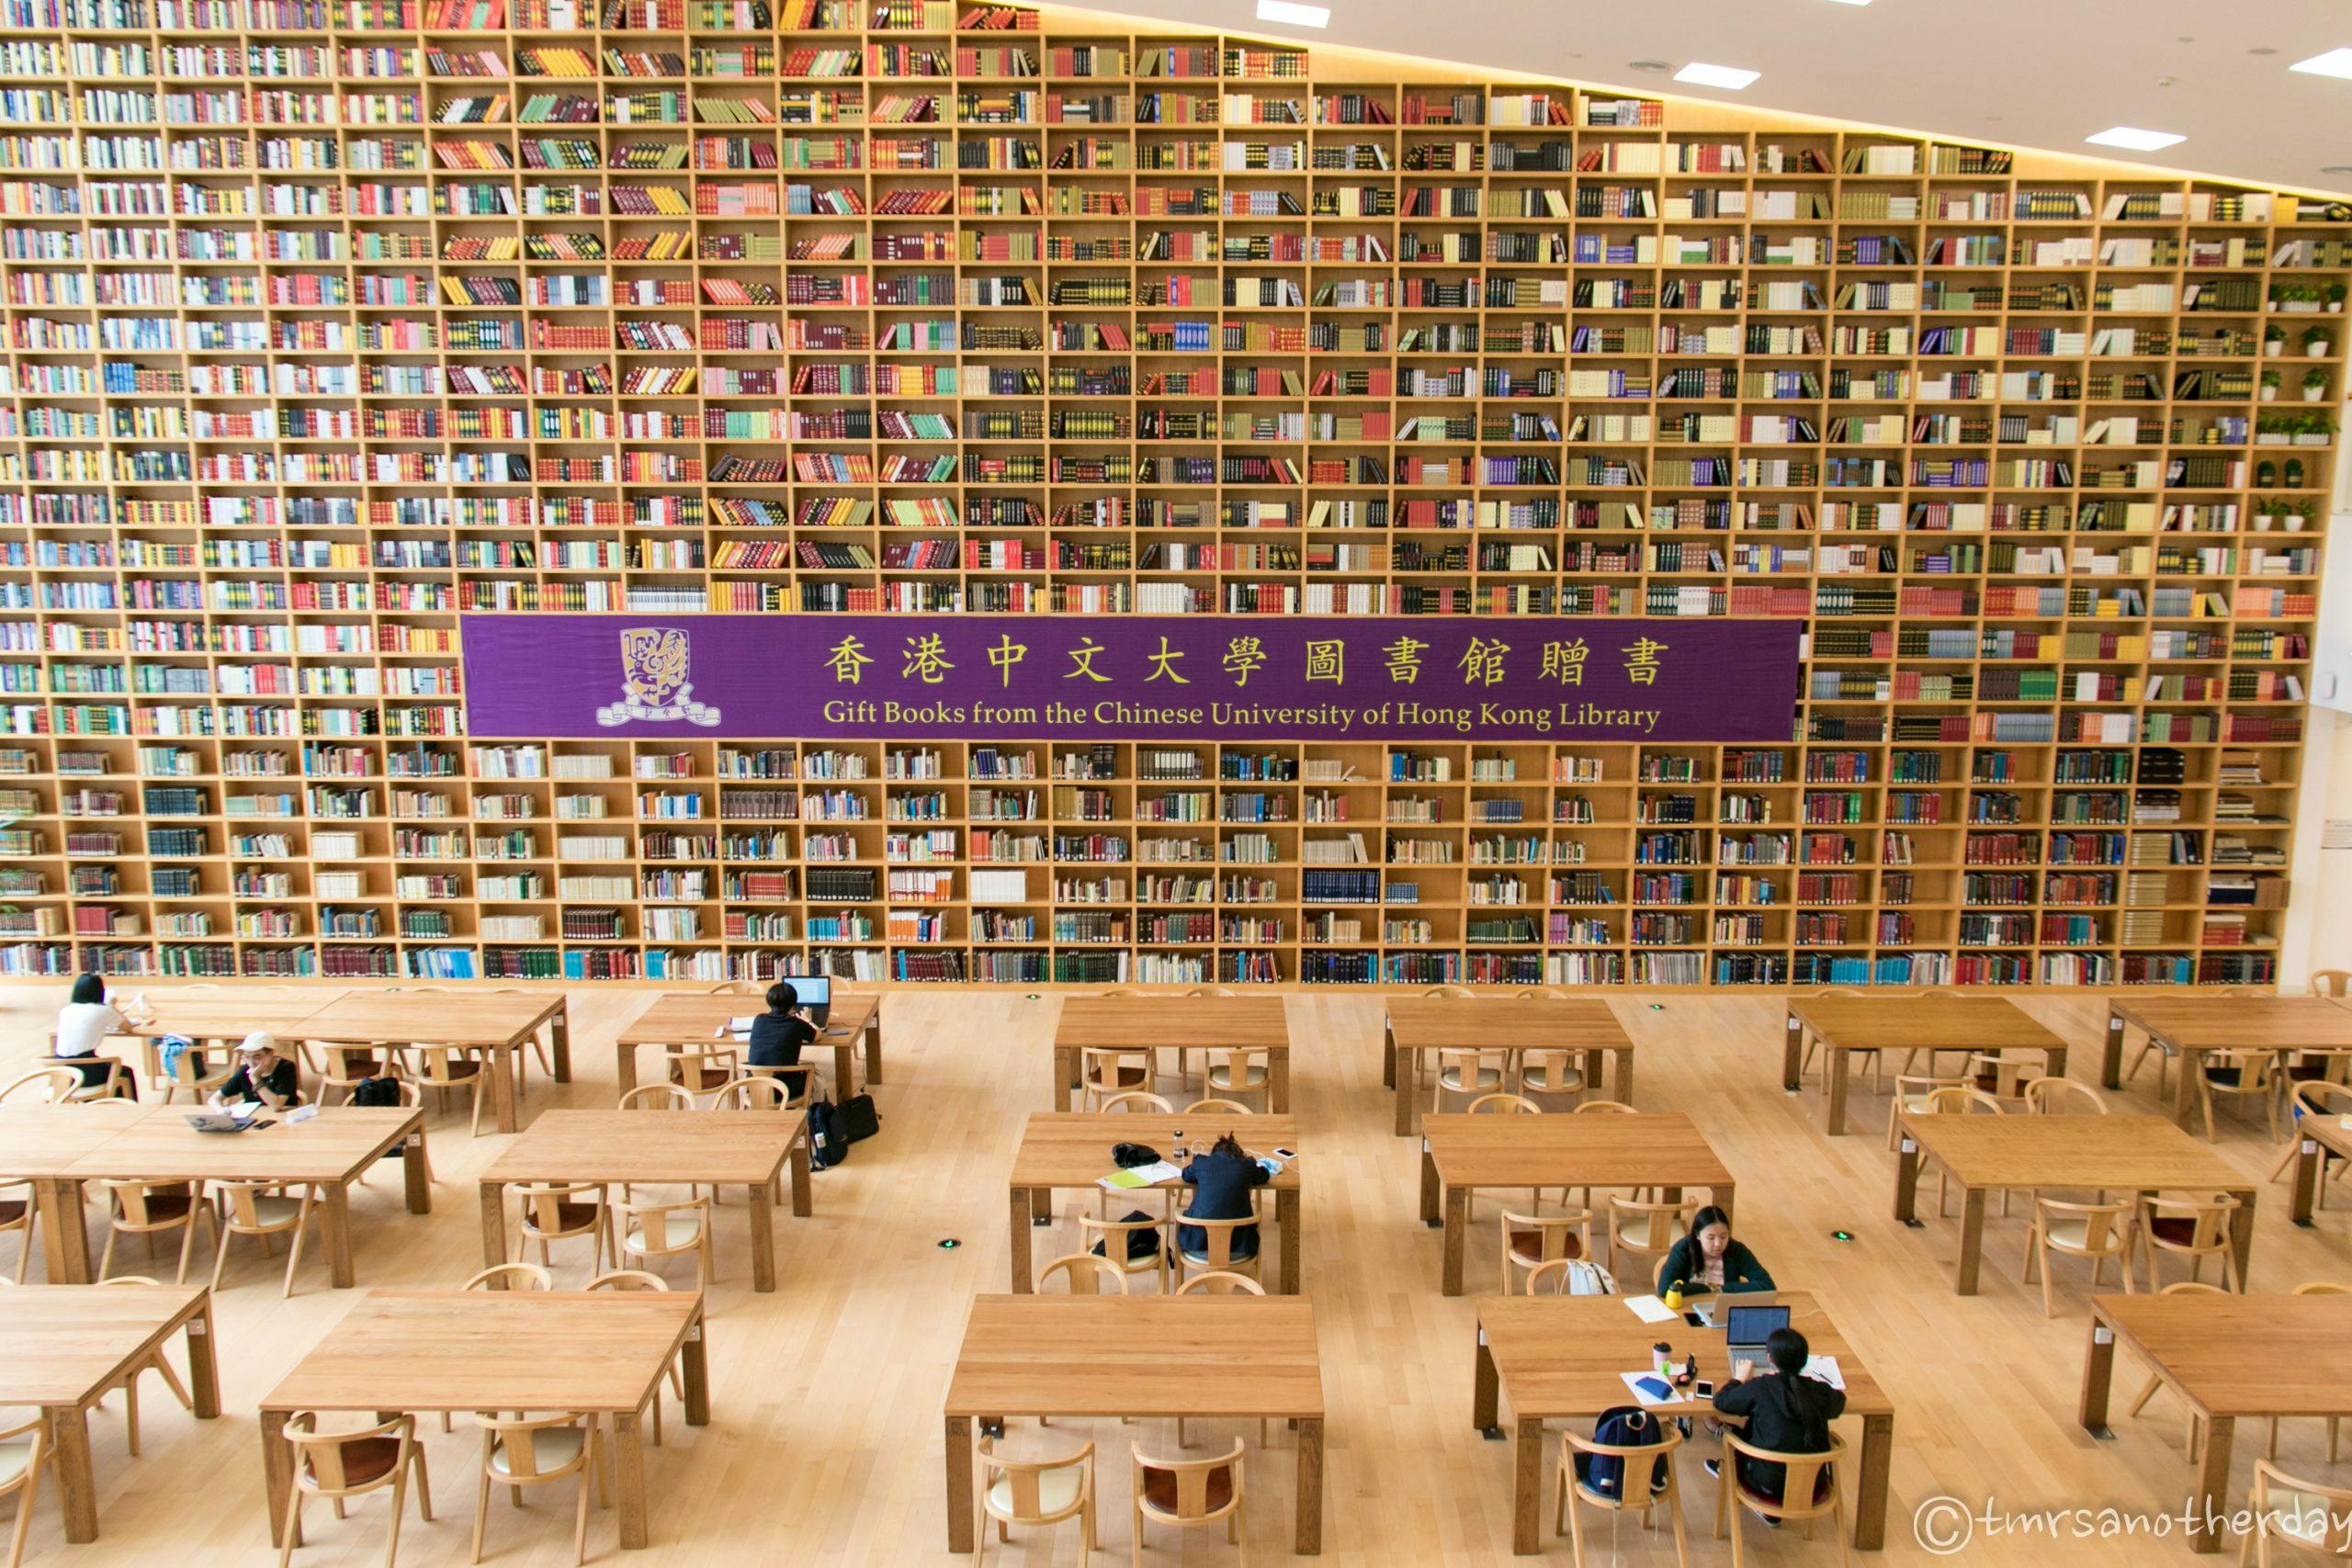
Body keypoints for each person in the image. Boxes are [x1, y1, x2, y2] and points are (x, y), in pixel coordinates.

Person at [1706, 1326, 1845, 1506]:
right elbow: (1839, 1401)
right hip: (1812, 1486)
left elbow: (1722, 1401)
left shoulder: (1761, 1388)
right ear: (1805, 1360)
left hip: (1765, 1486)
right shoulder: (1817, 1391)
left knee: (1751, 1428)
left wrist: (1738, 1379)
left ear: (1770, 1358)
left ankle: (1732, 1474)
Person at [1176, 1132, 1271, 1265]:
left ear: (1213, 1154)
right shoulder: (1246, 1166)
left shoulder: (1201, 1163)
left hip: (1196, 1247)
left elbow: (1186, 1175)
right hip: (1241, 1250)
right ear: (1239, 1155)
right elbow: (1264, 1176)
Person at [51, 974, 145, 1099]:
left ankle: (95, 1102)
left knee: (110, 1068)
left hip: (63, 1074)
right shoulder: (104, 1010)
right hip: (86, 1075)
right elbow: (128, 1027)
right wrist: (111, 1006)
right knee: (125, 1072)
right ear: (100, 992)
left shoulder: (66, 1010)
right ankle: (124, 1106)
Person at [1656, 1205, 1774, 1298]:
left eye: (1724, 1236)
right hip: (1689, 1306)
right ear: (1697, 1235)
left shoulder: (1736, 1249)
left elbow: (1767, 1285)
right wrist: (1706, 1289)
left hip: (1725, 1306)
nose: (1718, 1243)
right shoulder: (1683, 1249)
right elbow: (1664, 1289)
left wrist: (1724, 1289)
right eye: (1711, 1237)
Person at [746, 981, 817, 1079]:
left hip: (754, 1083)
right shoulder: (796, 1024)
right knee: (816, 1073)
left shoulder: (759, 1019)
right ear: (793, 1005)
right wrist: (807, 1020)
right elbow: (817, 1035)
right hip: (785, 1085)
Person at [212, 1032, 300, 1110]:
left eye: (257, 1057)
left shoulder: (286, 1067)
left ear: (270, 1054)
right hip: (255, 1118)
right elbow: (215, 1098)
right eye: (247, 1057)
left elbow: (276, 1106)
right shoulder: (244, 1070)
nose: (251, 1063)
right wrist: (221, 1111)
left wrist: (255, 1078)